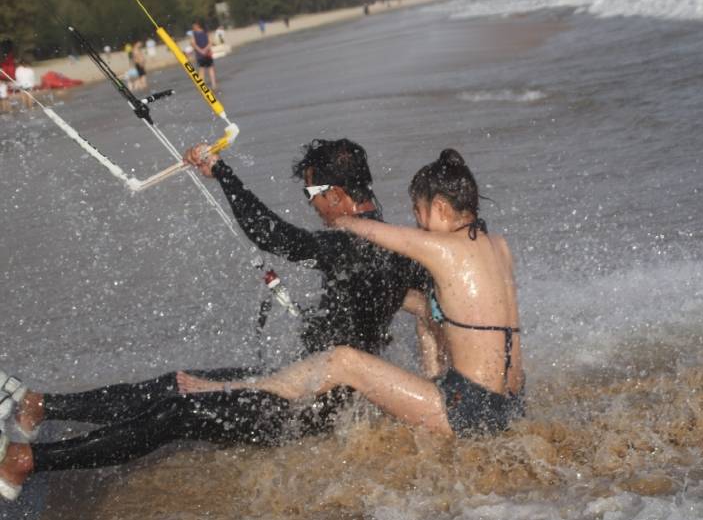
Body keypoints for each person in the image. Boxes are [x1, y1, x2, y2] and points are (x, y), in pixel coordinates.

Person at [0, 139, 430, 500]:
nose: (312, 206)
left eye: (311, 195)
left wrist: (225, 174)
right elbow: (429, 308)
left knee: (175, 412)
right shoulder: (398, 246)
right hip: (305, 385)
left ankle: (29, 461)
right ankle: (43, 405)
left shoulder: (354, 245)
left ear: (336, 194)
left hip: (307, 408)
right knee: (175, 383)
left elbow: (271, 234)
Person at [177, 149, 525, 439]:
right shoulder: (500, 246)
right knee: (426, 312)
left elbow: (389, 236)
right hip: (512, 404)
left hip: (469, 410)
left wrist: (346, 224)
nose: (418, 223)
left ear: (442, 209)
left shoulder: (442, 248)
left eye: (419, 212)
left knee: (344, 360)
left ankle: (237, 388)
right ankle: (433, 395)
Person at [189, 19, 217, 91]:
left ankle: (212, 85)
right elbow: (193, 44)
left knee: (208, 69)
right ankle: (205, 85)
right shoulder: (195, 33)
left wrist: (203, 50)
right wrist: (202, 50)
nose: (193, 26)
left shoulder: (202, 32)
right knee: (202, 69)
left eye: (194, 25)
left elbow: (210, 42)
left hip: (205, 53)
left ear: (198, 25)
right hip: (203, 53)